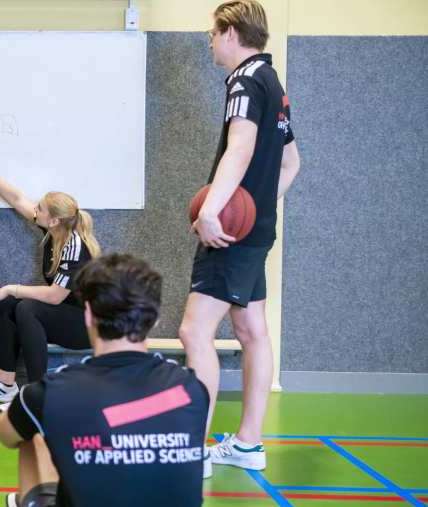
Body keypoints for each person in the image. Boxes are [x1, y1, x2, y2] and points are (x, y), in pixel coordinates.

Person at [179, 0, 302, 478]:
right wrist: (256, 208)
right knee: (252, 332)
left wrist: (216, 211)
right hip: (254, 232)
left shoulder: (245, 80)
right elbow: (291, 164)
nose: (210, 41)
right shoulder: (273, 81)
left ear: (231, 32)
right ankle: (248, 444)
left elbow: (241, 146)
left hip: (230, 235)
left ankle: (193, 452)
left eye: (213, 32)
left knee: (194, 331)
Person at [0, 254, 209, 507]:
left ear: (87, 315)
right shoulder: (192, 388)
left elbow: (4, 434)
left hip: (46, 416)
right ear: (155, 320)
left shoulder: (51, 392)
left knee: (32, 431)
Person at [0, 149, 101, 411]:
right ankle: (5, 384)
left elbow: (56, 296)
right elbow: (16, 197)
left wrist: (11, 288)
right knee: (6, 306)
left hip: (86, 326)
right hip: (64, 313)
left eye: (40, 209)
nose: (35, 210)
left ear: (55, 220)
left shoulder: (75, 247)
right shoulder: (53, 231)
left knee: (26, 306)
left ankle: (37, 395)